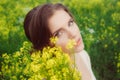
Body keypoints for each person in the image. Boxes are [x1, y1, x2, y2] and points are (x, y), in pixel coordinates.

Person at [23, 3, 96, 80]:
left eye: (70, 23)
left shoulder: (83, 55)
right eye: (58, 34)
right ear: (45, 46)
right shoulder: (50, 77)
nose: (73, 34)